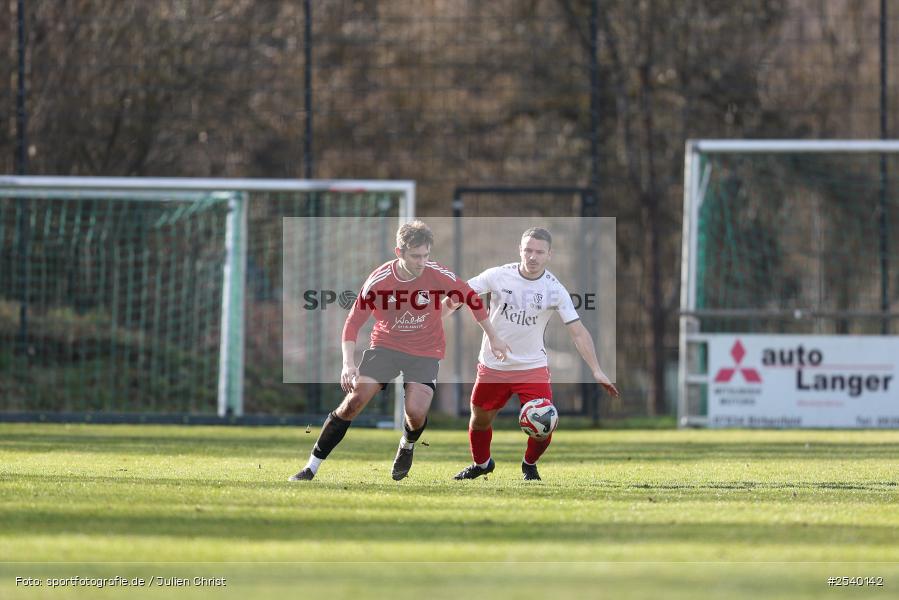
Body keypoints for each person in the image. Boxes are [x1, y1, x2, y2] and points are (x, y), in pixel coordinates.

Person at [289, 220, 510, 482]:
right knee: (353, 403)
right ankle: (310, 467)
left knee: (415, 414)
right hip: (386, 347)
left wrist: (493, 337)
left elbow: (471, 298)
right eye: (416, 256)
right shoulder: (380, 280)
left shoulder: (436, 273)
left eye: (426, 255)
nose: (422, 262)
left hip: (426, 350)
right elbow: (353, 323)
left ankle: (407, 444)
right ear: (399, 252)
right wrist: (348, 363)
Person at [448, 227, 618, 481]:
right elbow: (461, 294)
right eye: (528, 250)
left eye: (539, 251)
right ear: (520, 250)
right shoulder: (498, 275)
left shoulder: (555, 289)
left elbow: (578, 333)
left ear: (549, 254)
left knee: (545, 423)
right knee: (479, 420)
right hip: (493, 365)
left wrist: (596, 369)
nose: (533, 256)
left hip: (532, 367)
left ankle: (529, 464)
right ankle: (482, 464)